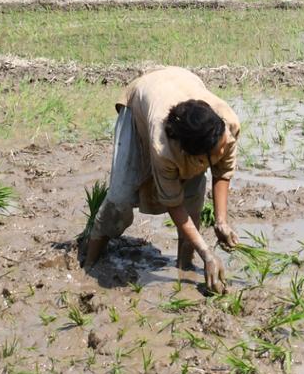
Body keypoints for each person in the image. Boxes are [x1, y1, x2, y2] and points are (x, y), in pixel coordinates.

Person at [80, 66, 241, 292]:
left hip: (182, 82)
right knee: (120, 197)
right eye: (220, 149)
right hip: (142, 102)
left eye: (225, 145)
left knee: (193, 197)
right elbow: (173, 203)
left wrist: (221, 221)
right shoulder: (163, 147)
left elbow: (222, 172)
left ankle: (184, 266)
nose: (225, 149)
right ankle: (90, 263)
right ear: (192, 155)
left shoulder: (225, 127)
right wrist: (207, 252)